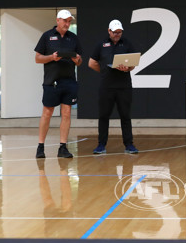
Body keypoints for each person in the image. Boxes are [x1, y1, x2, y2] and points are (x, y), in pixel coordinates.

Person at [34, 9, 83, 159]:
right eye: (65, 21)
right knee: (47, 113)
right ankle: (40, 147)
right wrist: (51, 57)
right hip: (51, 81)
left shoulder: (73, 38)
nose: (67, 24)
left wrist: (77, 60)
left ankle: (63, 147)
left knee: (67, 113)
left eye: (69, 21)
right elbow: (37, 58)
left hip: (69, 81)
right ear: (58, 20)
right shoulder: (47, 36)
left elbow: (80, 61)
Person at [88, 19, 139, 154]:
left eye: (119, 32)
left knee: (125, 116)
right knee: (104, 116)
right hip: (107, 86)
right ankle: (101, 145)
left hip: (124, 86)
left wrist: (127, 68)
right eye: (115, 32)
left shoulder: (127, 43)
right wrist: (105, 70)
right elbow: (91, 62)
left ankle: (129, 144)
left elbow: (133, 63)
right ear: (109, 31)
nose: (117, 34)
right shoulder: (101, 45)